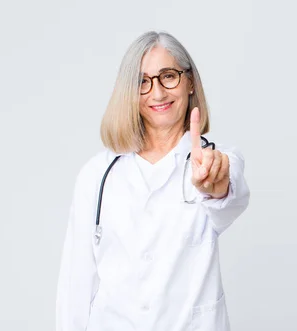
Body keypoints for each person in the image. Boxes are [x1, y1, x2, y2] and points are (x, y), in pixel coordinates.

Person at [55, 31, 250, 331]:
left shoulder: (215, 161)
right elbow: (75, 287)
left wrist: (215, 184)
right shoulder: (97, 175)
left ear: (190, 83)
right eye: (142, 82)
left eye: (168, 76)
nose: (157, 93)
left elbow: (229, 196)